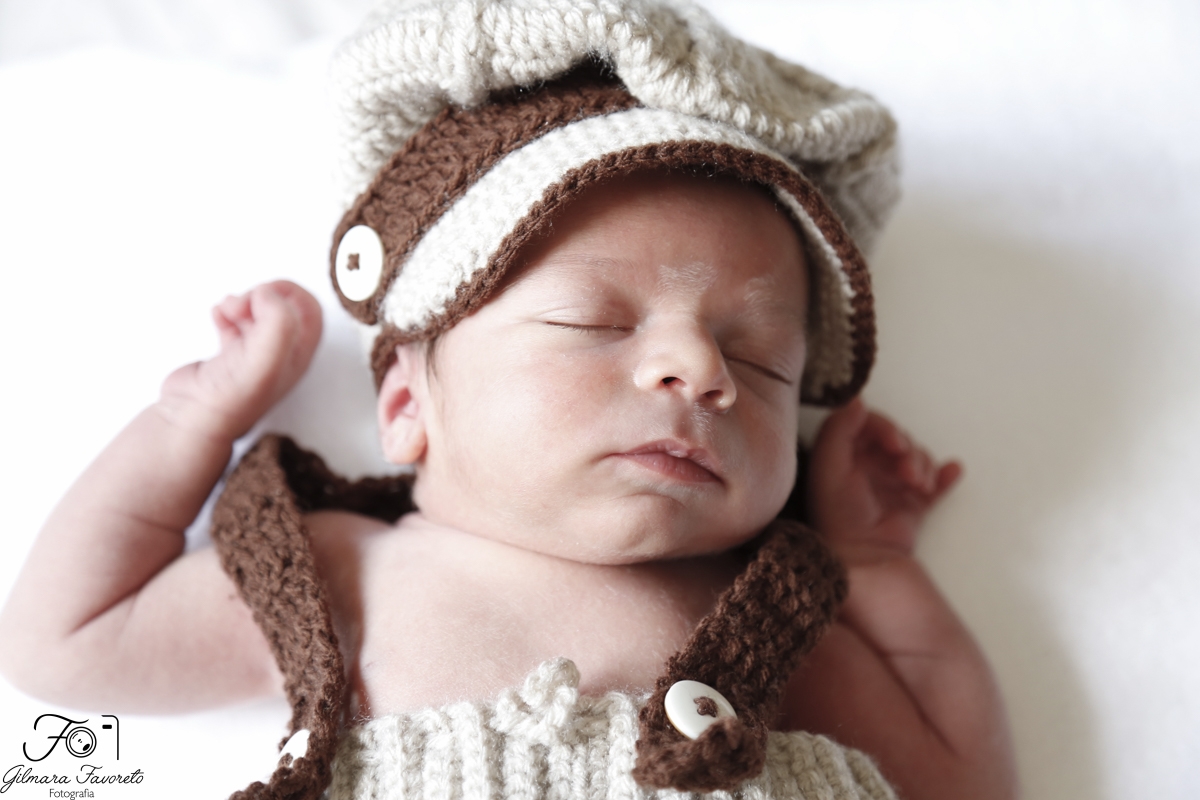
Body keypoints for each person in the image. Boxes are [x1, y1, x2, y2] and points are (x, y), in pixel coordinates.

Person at [0, 2, 1016, 799]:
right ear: (406, 405)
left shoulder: (770, 620)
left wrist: (876, 566)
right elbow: (64, 639)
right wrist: (195, 419)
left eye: (758, 363)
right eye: (594, 321)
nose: (700, 371)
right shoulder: (350, 575)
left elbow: (958, 779)